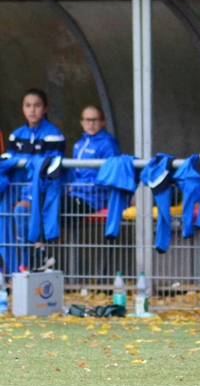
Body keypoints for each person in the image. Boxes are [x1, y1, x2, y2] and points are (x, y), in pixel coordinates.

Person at [6, 89, 66, 270]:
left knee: (20, 211)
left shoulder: (53, 134)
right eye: (28, 106)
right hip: (17, 191)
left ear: (45, 108)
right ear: (22, 108)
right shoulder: (16, 135)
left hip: (43, 192)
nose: (32, 110)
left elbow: (50, 170)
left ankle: (27, 263)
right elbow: (10, 166)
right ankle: (28, 260)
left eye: (37, 105)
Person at [66, 106, 121, 214]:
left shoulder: (108, 144)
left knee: (59, 212)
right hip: (77, 194)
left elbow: (109, 177)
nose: (91, 124)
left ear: (103, 122)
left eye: (95, 120)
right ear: (82, 122)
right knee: (49, 209)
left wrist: (76, 185)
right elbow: (74, 174)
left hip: (96, 199)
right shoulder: (78, 145)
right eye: (88, 120)